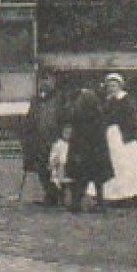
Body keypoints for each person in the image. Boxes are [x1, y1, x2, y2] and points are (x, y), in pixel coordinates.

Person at [100, 73, 137, 207]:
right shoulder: (107, 101)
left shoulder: (126, 100)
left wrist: (132, 134)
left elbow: (133, 119)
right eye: (109, 86)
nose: (112, 88)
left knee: (129, 166)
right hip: (111, 136)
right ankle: (116, 196)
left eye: (114, 85)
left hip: (125, 137)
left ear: (120, 86)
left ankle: (135, 195)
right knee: (115, 165)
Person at [64, 85, 113, 213]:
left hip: (84, 152)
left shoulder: (79, 118)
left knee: (81, 178)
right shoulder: (98, 117)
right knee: (97, 179)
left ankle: (77, 202)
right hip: (95, 152)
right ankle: (99, 202)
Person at [19, 75, 64, 205]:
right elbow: (30, 118)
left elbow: (64, 117)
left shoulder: (60, 98)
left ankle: (58, 193)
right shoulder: (36, 101)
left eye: (48, 80)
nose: (45, 83)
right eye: (42, 80)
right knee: (42, 168)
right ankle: (49, 194)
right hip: (39, 139)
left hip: (55, 139)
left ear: (54, 82)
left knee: (55, 168)